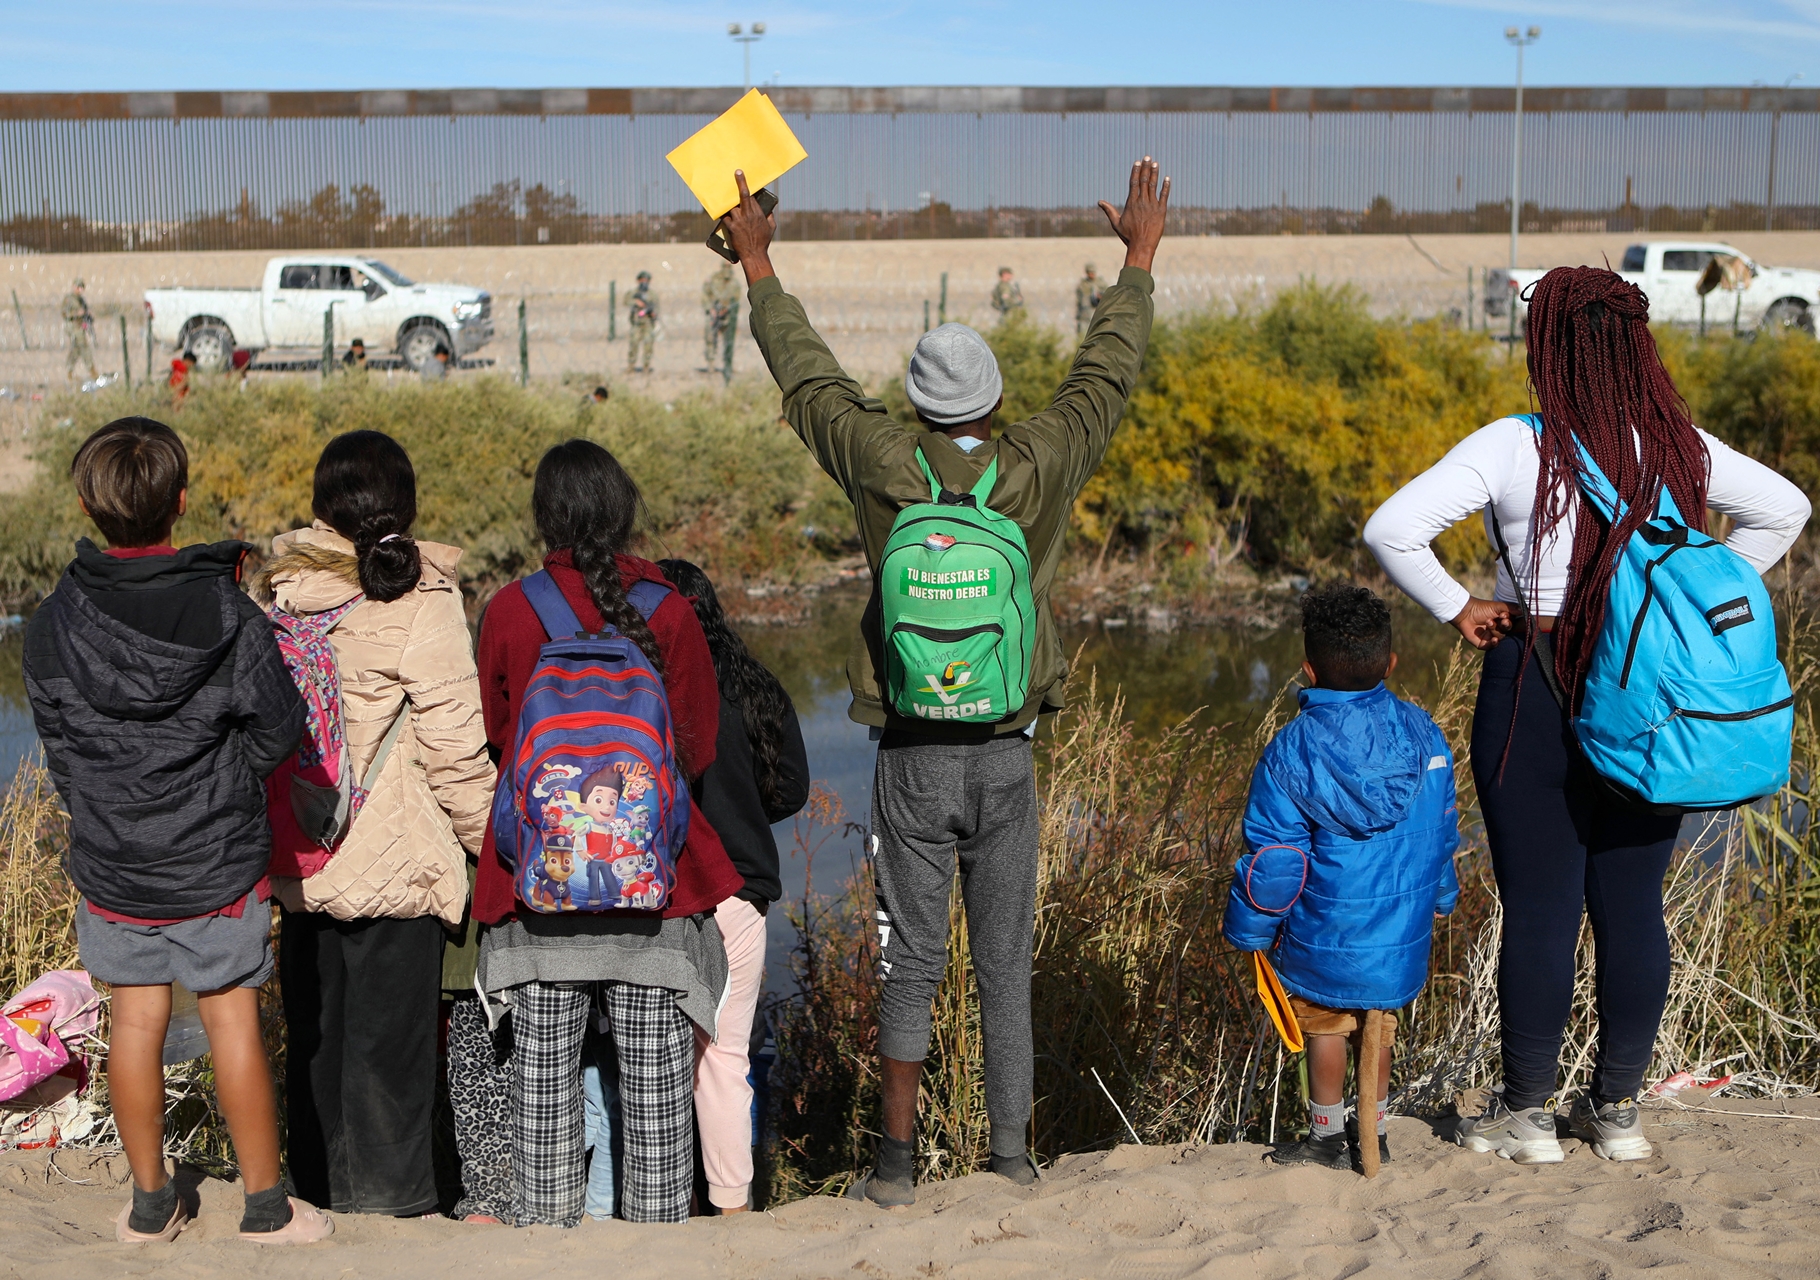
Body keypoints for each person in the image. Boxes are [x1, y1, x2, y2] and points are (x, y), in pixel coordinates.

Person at [721, 157, 1170, 1205]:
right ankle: (1009, 1159)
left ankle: (891, 1166)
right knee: (1001, 964)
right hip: (1005, 755)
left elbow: (809, 378)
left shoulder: (881, 461)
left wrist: (757, 263)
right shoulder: (1036, 460)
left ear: (917, 400)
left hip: (910, 760)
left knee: (908, 960)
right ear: (996, 395)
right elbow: (1104, 374)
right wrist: (1137, 259)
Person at [1363, 265, 1811, 1164]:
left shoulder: (1514, 444)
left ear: (1549, 349)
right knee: (1633, 903)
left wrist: (1458, 607)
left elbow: (1390, 529)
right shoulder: (1682, 449)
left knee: (1539, 904)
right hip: (1653, 697)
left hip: (1534, 679)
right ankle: (1618, 1114)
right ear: (1637, 346)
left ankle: (1526, 1116)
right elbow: (1787, 509)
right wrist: (1691, 597)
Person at [21, 417, 329, 1245]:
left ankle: (151, 1204)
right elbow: (276, 729)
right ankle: (266, 1209)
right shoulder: (228, 610)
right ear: (181, 501)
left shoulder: (54, 620)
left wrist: (112, 808)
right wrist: (224, 783)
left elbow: (60, 744)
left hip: (115, 862)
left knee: (135, 1021)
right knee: (232, 1017)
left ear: (88, 504)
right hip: (217, 859)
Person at [472, 439, 743, 1227]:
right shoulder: (672, 609)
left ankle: (551, 1242)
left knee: (544, 1090)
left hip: (539, 886)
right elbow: (695, 746)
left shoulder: (510, 609)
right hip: (653, 889)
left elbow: (497, 738)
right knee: (656, 1099)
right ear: (623, 511)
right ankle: (656, 1250)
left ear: (543, 515)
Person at [260, 430, 496, 1218]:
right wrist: (497, 851)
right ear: (407, 506)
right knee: (389, 1063)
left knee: (316, 1055)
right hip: (396, 866)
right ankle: (393, 1221)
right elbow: (457, 752)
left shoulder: (283, 593)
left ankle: (316, 1207)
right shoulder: (422, 602)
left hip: (302, 861)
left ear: (323, 510)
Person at [1221, 584, 1459, 1172]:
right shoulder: (1425, 734)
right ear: (1391, 662)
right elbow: (1442, 828)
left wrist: (1251, 930)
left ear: (1308, 668)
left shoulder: (1292, 749)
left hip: (1325, 927)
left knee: (1326, 1025)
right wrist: (1444, 893)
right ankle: (1372, 1134)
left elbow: (1277, 859)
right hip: (1400, 929)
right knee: (1379, 1025)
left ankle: (1326, 1139)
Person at [656, 558, 810, 1215]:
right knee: (727, 1056)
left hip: (667, 890)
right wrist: (746, 814)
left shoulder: (649, 686)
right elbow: (794, 787)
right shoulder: (756, 684)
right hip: (743, 889)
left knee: (657, 1054)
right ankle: (732, 1206)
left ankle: (661, 1197)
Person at [701, 264, 739, 372]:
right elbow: (705, 294)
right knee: (710, 339)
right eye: (724, 267)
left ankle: (728, 364)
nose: (726, 270)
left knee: (729, 341)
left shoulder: (734, 283)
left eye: (728, 267)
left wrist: (728, 309)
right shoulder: (713, 280)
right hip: (714, 314)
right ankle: (711, 364)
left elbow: (736, 300)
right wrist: (710, 309)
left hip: (728, 315)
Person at [62, 278, 97, 382]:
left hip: (80, 326)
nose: (80, 290)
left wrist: (88, 314)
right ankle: (92, 370)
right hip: (73, 326)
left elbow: (85, 311)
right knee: (84, 347)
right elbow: (64, 313)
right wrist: (76, 314)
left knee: (76, 350)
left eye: (82, 287)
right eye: (78, 287)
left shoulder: (81, 300)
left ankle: (69, 371)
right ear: (73, 287)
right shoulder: (69, 299)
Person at [628, 272, 658, 374]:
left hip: (648, 323)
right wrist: (637, 303)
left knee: (648, 345)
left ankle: (646, 366)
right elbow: (626, 301)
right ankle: (631, 366)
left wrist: (652, 313)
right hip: (636, 323)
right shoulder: (633, 293)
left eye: (646, 281)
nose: (644, 283)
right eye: (642, 280)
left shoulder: (652, 295)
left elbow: (656, 308)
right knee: (634, 344)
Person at [1075, 264, 1103, 336]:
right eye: (1090, 272)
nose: (1092, 274)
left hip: (1097, 312)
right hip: (1085, 313)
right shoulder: (1083, 284)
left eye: (1093, 272)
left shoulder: (1100, 283)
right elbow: (1079, 300)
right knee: (1082, 334)